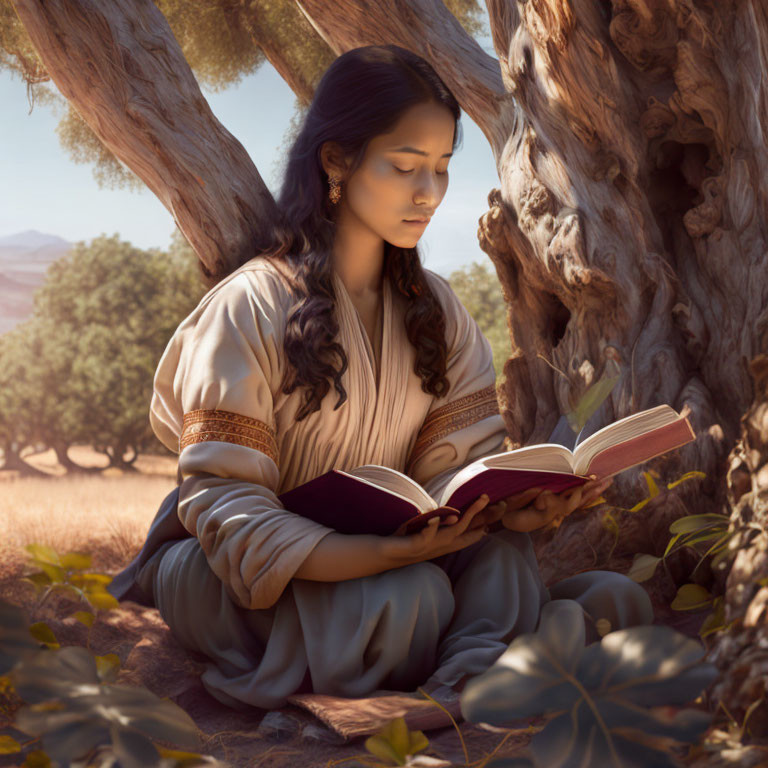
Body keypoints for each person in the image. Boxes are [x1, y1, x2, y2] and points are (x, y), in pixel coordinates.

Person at [108, 44, 654, 713]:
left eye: (442, 168)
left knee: (538, 569)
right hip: (248, 572)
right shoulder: (249, 306)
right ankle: (485, 665)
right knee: (413, 599)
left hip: (396, 555)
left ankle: (468, 674)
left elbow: (455, 481)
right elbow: (229, 517)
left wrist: (516, 507)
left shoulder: (440, 310)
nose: (428, 193)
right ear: (336, 161)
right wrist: (379, 556)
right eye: (404, 167)